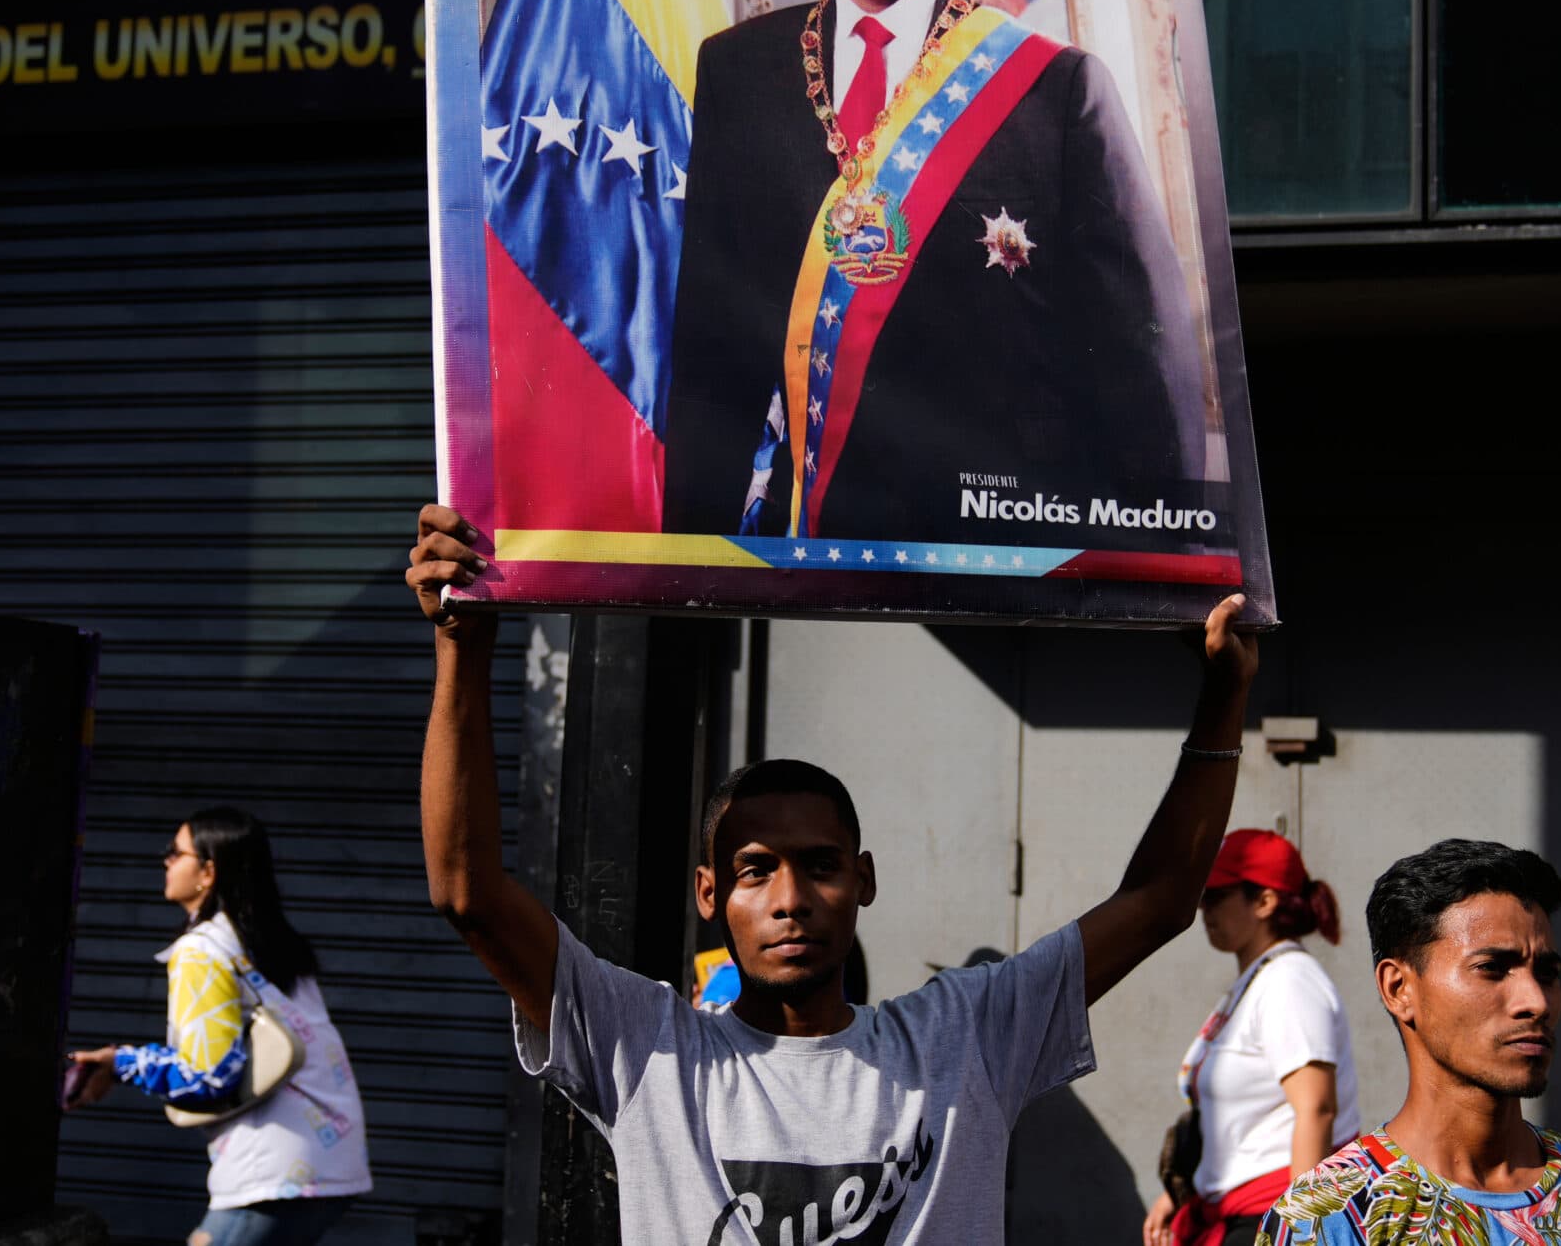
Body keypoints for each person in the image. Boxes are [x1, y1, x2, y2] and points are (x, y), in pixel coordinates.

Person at [405, 502, 1261, 1240]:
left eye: (820, 867)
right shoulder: (647, 1047)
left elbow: (1158, 901)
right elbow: (467, 893)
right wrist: (462, 648)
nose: (790, 900)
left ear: (865, 880)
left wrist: (1224, 693)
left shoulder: (965, 1037)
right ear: (710, 895)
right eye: (753, 870)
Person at [661, 0, 1207, 545]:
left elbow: (1141, 350)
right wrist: (690, 559)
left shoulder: (1055, 86)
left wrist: (1163, 559)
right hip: (815, 533)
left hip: (1004, 537)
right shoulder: (740, 69)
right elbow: (713, 342)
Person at [1262, 840, 1561, 1246]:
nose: (1536, 1002)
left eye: (1548, 974)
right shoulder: (1325, 1220)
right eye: (1492, 968)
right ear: (1399, 988)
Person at [64, 806, 370, 1245]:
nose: (165, 860)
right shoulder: (267, 942)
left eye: (175, 852)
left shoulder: (201, 952)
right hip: (327, 1161)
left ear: (208, 871)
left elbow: (207, 1076)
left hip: (272, 1170)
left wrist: (122, 1063)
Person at [1147, 829, 1355, 1246]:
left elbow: (1316, 1108)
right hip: (1238, 1210)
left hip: (1270, 1212)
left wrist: (1300, 1231)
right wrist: (1184, 1190)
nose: (1203, 907)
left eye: (1216, 895)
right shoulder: (1259, 978)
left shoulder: (1289, 980)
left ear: (1264, 901)